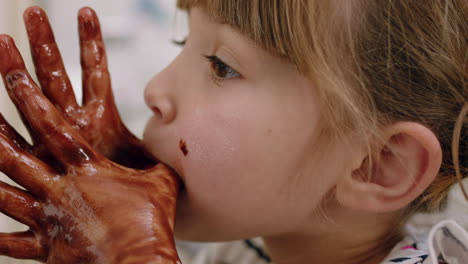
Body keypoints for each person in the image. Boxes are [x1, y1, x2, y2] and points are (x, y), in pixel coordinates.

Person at [0, 1, 466, 263]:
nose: (153, 90)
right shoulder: (237, 250)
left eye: (221, 66)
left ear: (376, 165)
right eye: (185, 41)